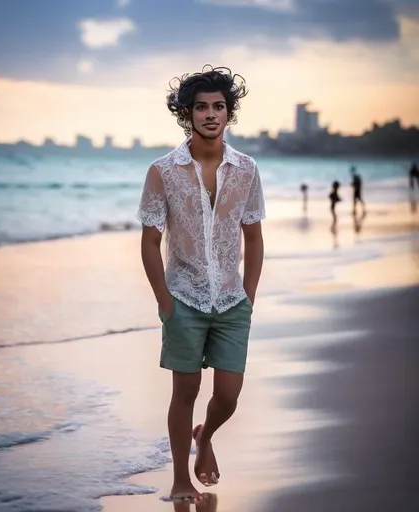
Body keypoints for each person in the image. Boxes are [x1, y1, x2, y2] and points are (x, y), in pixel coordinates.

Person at [137, 66, 265, 502]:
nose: (210, 114)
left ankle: (204, 435)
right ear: (186, 114)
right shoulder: (162, 171)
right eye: (201, 107)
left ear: (228, 113)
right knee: (185, 391)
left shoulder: (246, 170)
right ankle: (179, 478)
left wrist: (248, 296)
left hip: (232, 301)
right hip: (184, 298)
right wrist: (164, 302)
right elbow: (151, 242)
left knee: (228, 397)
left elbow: (254, 236)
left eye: (218, 107)